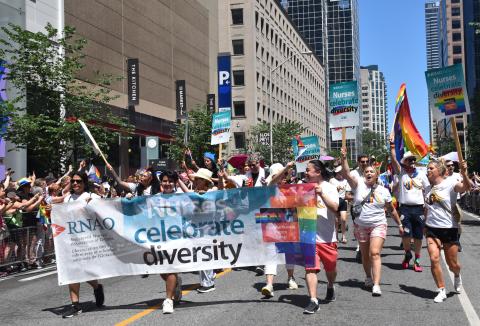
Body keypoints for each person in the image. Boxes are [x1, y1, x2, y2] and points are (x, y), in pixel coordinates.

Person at [340, 147, 404, 297]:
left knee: (374, 253)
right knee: (365, 254)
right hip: (361, 225)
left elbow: (391, 210)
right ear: (364, 174)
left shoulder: (384, 191)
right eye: (366, 172)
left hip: (378, 224)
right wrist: (344, 159)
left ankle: (376, 284)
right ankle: (368, 277)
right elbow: (347, 174)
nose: (369, 173)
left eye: (372, 172)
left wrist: (400, 225)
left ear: (377, 175)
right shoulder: (357, 186)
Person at [424, 159, 471, 303]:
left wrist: (464, 173)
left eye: (431, 168)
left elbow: (466, 188)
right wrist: (424, 225)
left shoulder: (450, 183)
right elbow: (427, 208)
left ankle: (457, 275)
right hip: (432, 228)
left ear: (439, 170)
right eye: (427, 168)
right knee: (434, 258)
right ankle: (441, 290)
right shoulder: (427, 188)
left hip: (449, 229)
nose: (428, 171)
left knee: (452, 264)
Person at [62, 172, 104, 318]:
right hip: (70, 239)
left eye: (78, 181)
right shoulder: (67, 198)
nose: (75, 184)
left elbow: (106, 212)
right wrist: (50, 213)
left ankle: (97, 287)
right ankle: (75, 305)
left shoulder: (91, 196)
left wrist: (94, 204)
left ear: (84, 183)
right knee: (72, 271)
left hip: (88, 240)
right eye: (73, 181)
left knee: (84, 271)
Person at [302, 160, 339, 314]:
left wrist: (321, 194)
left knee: (330, 268)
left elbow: (335, 208)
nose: (305, 172)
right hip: (309, 237)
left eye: (308, 170)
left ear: (317, 172)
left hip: (327, 238)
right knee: (310, 269)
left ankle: (330, 285)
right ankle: (313, 300)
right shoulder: (302, 187)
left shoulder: (329, 188)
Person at [389, 141, 430, 272]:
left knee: (418, 236)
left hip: (419, 209)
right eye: (409, 159)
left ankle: (417, 259)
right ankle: (407, 254)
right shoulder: (401, 173)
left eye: (413, 159)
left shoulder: (422, 175)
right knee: (406, 235)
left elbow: (428, 191)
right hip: (405, 209)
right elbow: (394, 160)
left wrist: (427, 208)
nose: (412, 161)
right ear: (405, 162)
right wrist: (392, 147)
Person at [260, 162, 298, 298]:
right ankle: (269, 284)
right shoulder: (269, 187)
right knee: (270, 253)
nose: (282, 177)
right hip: (271, 224)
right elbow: (274, 181)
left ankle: (291, 277)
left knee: (289, 252)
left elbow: (295, 208)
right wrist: (286, 168)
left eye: (285, 174)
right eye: (279, 174)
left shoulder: (291, 189)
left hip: (287, 224)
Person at [158, 170, 184, 314]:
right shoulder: (154, 198)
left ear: (175, 183)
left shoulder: (180, 197)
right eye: (165, 181)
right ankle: (176, 285)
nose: (167, 184)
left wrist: (179, 180)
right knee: (162, 271)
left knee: (171, 268)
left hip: (176, 238)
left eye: (170, 181)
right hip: (158, 238)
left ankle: (168, 300)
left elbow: (194, 198)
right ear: (160, 182)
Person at [329, 166, 351, 243]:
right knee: (336, 220)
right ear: (336, 173)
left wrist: (347, 199)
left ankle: (344, 236)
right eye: (339, 172)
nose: (341, 174)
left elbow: (348, 192)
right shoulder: (332, 180)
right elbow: (329, 192)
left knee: (343, 219)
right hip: (334, 200)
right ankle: (336, 237)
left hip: (343, 201)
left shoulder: (346, 181)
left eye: (342, 172)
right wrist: (336, 190)